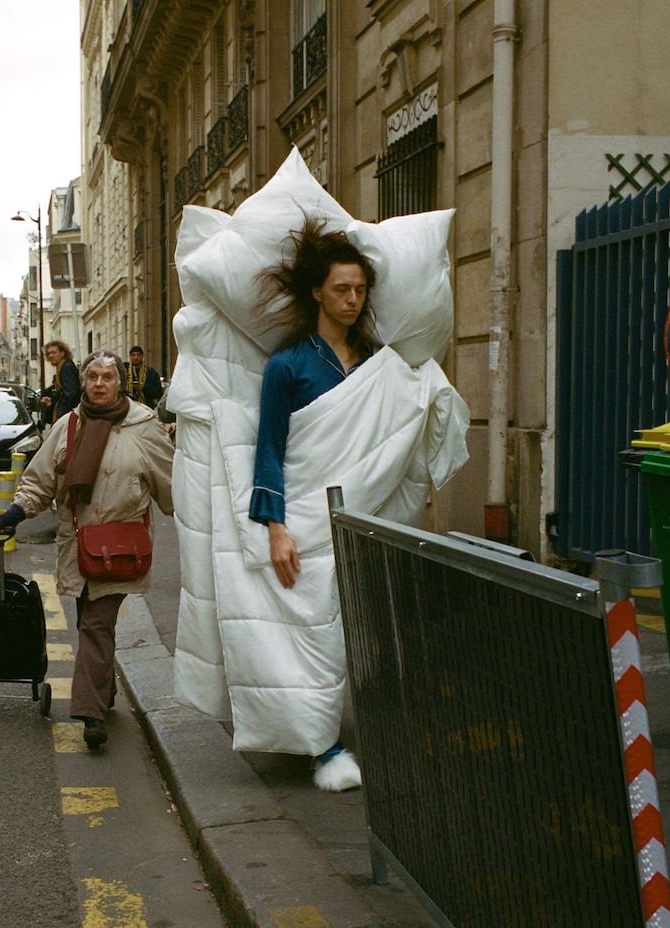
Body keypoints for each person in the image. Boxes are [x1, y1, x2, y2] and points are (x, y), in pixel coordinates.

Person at [247, 218, 378, 791]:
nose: (352, 299)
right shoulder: (288, 365)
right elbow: (270, 448)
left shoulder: (377, 360)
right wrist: (276, 527)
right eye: (342, 289)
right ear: (317, 292)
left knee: (358, 634)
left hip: (364, 513)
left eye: (360, 289)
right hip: (305, 513)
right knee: (316, 635)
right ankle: (323, 745)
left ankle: (339, 731)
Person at [0, 350, 175, 750]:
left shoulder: (144, 426)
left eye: (108, 376)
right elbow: (40, 479)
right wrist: (17, 512)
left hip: (123, 548)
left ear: (120, 383)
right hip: (78, 544)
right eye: (93, 376)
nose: (99, 384)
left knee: (95, 623)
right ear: (85, 381)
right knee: (88, 621)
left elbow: (172, 486)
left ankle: (91, 715)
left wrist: (206, 525)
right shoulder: (67, 425)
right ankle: (103, 692)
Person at [36, 340, 81, 426]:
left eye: (54, 352)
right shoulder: (61, 367)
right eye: (49, 353)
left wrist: (61, 415)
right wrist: (51, 401)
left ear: (62, 353)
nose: (51, 356)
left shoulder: (66, 367)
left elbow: (71, 393)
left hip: (67, 418)